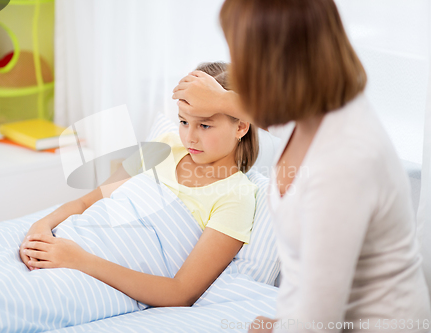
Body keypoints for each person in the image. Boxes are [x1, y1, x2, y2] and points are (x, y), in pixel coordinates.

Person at [172, 0, 431, 332]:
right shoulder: (318, 112)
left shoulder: (345, 161)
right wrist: (221, 99)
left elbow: (318, 321)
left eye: (246, 55)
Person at [18, 62, 261, 308]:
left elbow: (180, 293)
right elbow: (87, 201)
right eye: (184, 122)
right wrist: (42, 225)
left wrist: (79, 260)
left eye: (205, 125)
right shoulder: (165, 145)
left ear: (240, 126)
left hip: (88, 272)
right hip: (69, 241)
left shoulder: (236, 196)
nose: (190, 137)